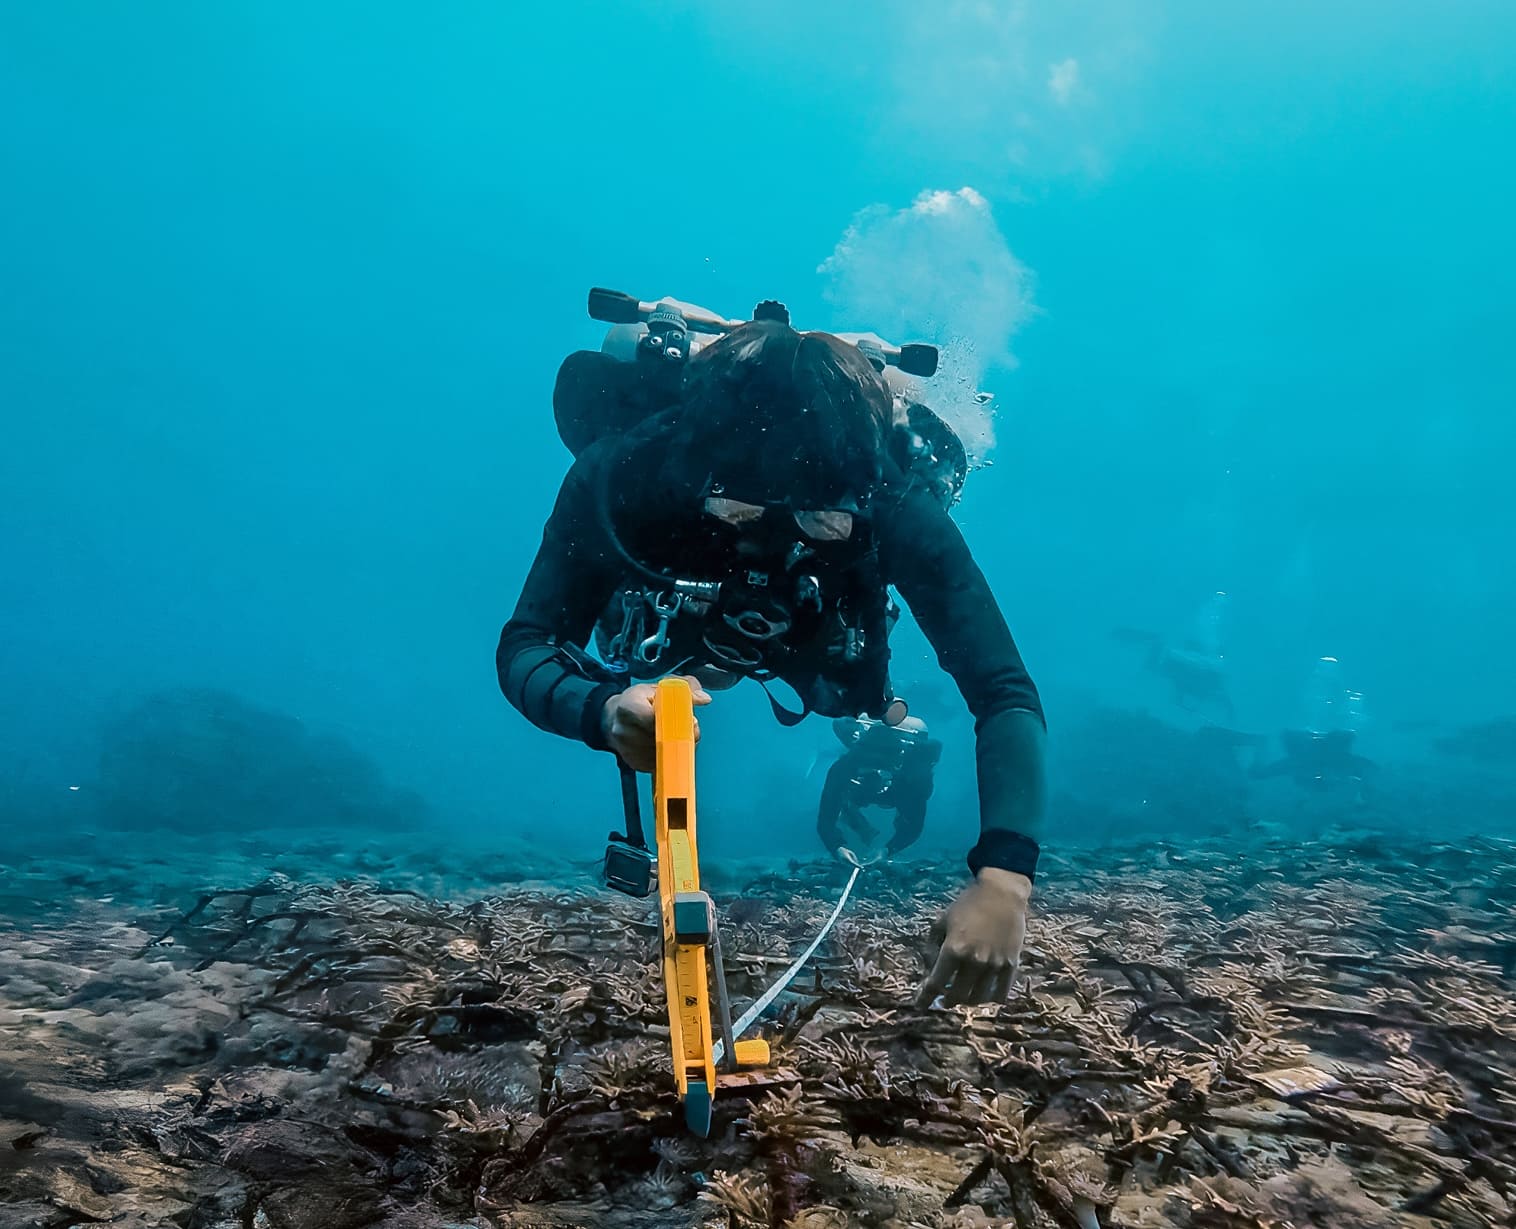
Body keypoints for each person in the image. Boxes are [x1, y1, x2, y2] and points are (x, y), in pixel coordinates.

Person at [497, 310, 1046, 1008]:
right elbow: (529, 640)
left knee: (852, 697)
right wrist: (602, 708)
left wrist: (1005, 879)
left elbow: (1002, 689)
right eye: (739, 510)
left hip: (822, 631)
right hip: (677, 611)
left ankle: (888, 736)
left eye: (817, 520)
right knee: (668, 653)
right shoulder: (628, 473)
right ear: (692, 473)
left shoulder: (893, 500)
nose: (772, 541)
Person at [817, 715, 942, 865]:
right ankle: (853, 816)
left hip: (900, 786)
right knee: (848, 795)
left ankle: (856, 817)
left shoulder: (913, 773)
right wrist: (837, 847)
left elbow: (914, 824)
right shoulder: (846, 767)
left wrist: (887, 850)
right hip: (870, 787)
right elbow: (827, 816)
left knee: (909, 796)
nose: (878, 770)